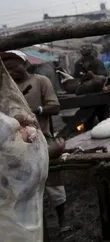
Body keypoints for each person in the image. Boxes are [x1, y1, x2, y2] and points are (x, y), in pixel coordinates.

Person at [0, 50, 70, 233]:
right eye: (6, 69)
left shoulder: (40, 81)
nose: (10, 71)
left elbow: (54, 106)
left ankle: (62, 220)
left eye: (13, 66)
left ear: (25, 65)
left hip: (40, 138)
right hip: (15, 145)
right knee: (20, 191)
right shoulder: (6, 90)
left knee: (54, 186)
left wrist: (37, 110)